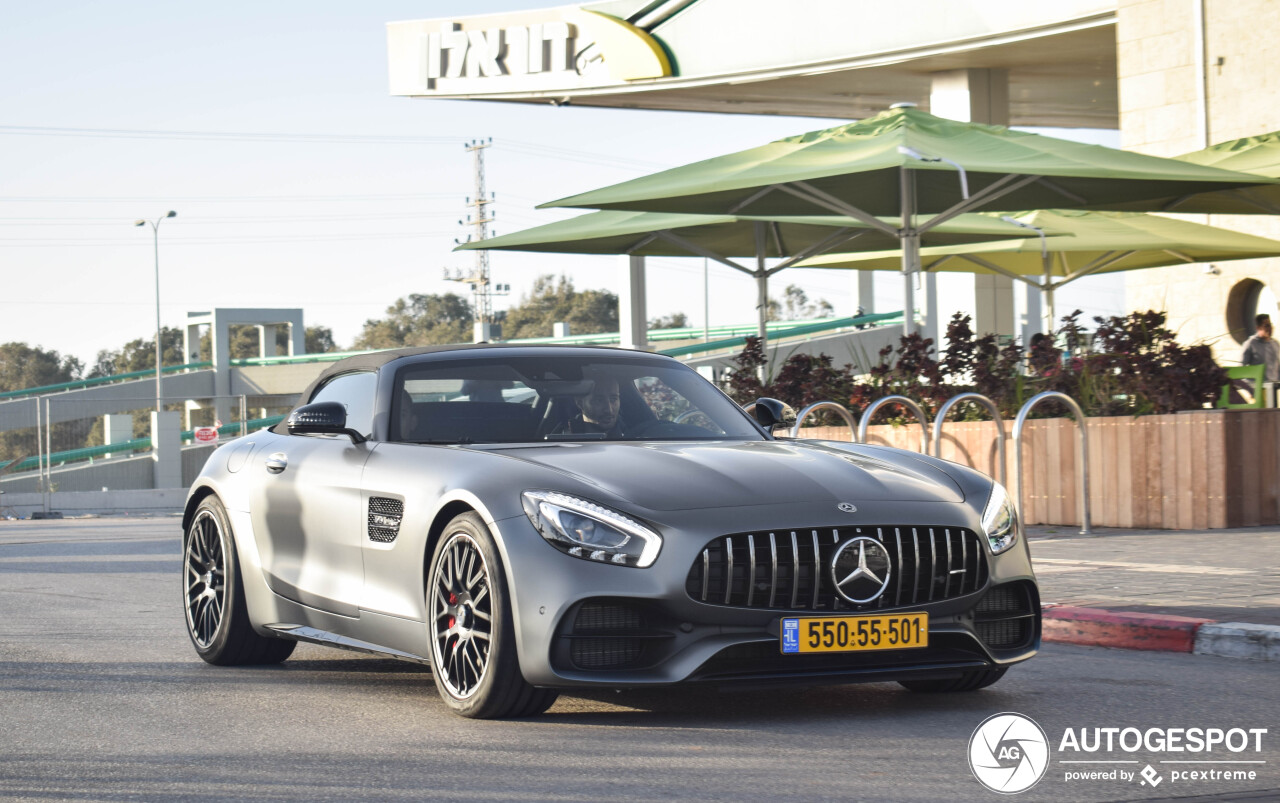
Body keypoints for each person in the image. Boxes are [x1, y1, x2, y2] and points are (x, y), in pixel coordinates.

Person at [558, 374, 625, 437]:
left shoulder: (630, 435)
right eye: (599, 401)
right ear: (580, 403)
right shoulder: (562, 439)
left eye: (613, 399)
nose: (609, 409)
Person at [1242, 313, 1280, 383]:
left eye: (1270, 325)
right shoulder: (1250, 344)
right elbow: (1242, 367)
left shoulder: (1275, 343)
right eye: (1266, 326)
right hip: (1258, 387)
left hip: (1274, 386)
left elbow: (1277, 366)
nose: (1270, 328)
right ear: (1258, 328)